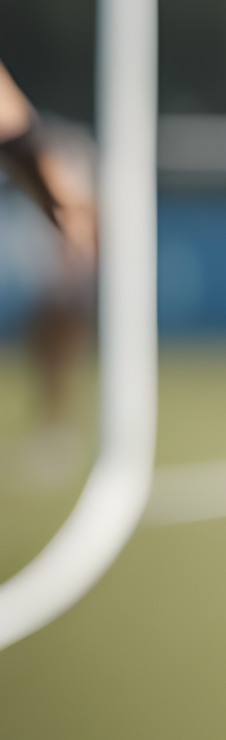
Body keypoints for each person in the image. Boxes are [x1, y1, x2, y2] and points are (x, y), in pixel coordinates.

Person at [0, 58, 98, 478]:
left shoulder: (68, 157)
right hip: (53, 264)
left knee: (57, 347)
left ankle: (57, 428)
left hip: (64, 273)